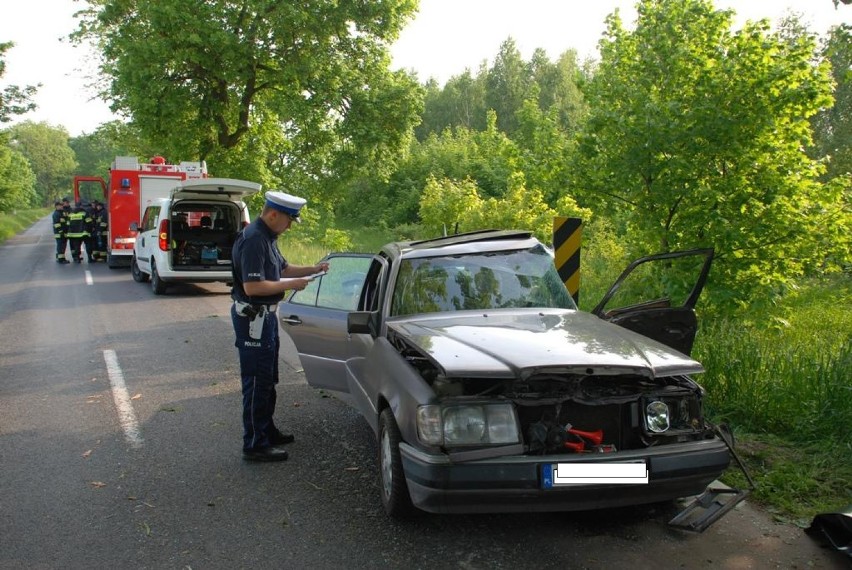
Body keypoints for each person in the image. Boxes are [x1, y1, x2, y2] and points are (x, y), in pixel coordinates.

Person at [230, 191, 329, 462]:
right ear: (273, 214)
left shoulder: (267, 238)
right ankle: (254, 444)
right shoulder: (253, 240)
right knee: (256, 380)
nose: (289, 226)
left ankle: (266, 431)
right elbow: (253, 286)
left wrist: (314, 268)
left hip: (265, 318)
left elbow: (282, 269)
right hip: (253, 318)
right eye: (288, 220)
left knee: (268, 377)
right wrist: (292, 285)